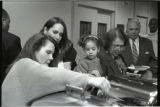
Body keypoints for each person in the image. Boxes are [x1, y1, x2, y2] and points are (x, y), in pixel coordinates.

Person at [2, 33, 111, 107]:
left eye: (53, 54)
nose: (51, 58)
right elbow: (50, 75)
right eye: (48, 52)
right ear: (34, 49)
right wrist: (90, 79)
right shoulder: (22, 64)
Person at [1, 9, 22, 106]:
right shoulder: (12, 40)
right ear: (3, 20)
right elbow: (17, 68)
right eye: (8, 23)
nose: (9, 27)